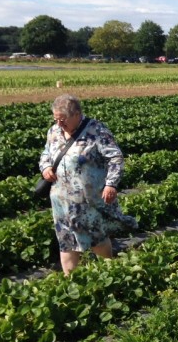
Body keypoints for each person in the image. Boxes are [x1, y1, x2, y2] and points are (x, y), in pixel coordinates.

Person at [39, 94, 132, 275]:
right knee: (66, 243)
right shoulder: (54, 132)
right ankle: (71, 281)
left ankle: (110, 272)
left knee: (96, 240)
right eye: (56, 119)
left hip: (88, 200)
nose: (59, 124)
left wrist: (111, 184)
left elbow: (115, 158)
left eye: (63, 119)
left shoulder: (96, 131)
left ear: (77, 114)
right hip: (61, 201)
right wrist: (46, 167)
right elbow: (45, 154)